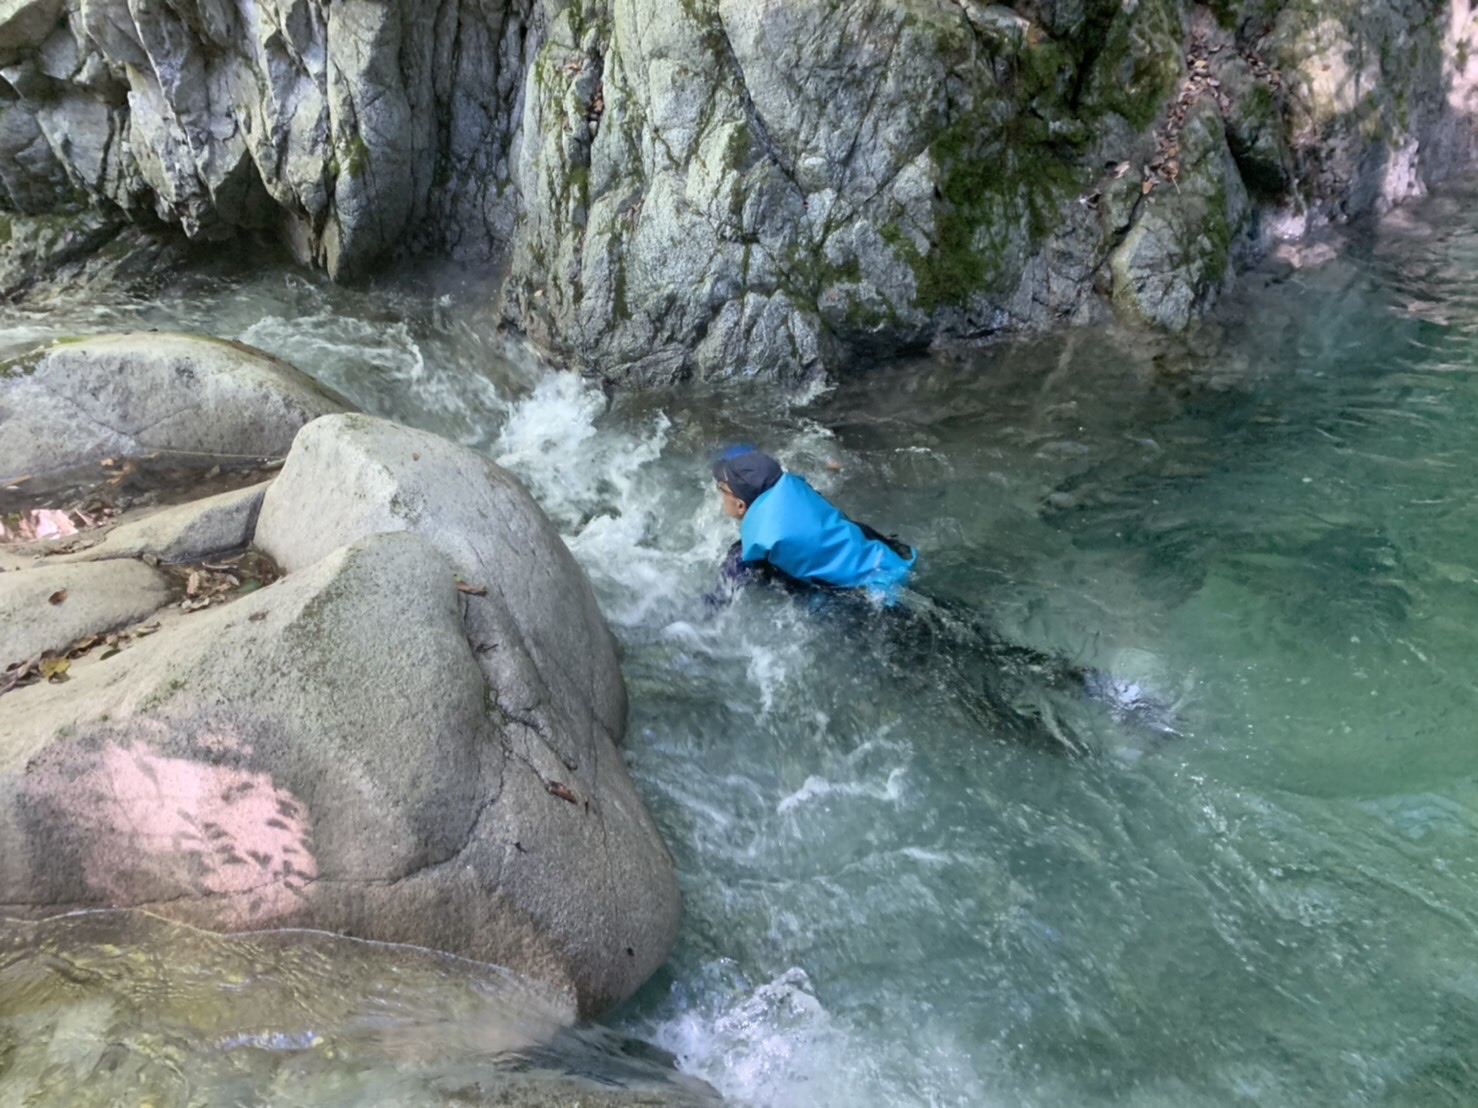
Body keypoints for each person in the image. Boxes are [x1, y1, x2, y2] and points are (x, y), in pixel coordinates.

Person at [708, 445, 916, 604]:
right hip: (893, 560)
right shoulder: (802, 496)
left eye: (722, 489)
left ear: (741, 505)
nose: (720, 494)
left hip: (867, 600)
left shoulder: (746, 554)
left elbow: (716, 606)